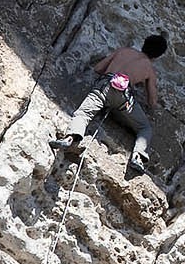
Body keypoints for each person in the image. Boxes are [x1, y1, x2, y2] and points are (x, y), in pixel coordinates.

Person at [50, 34, 168, 176]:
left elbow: (98, 68)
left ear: (144, 44)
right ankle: (137, 156)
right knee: (145, 128)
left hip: (103, 87)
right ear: (157, 56)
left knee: (83, 114)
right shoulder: (149, 69)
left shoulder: (124, 51)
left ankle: (70, 138)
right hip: (123, 98)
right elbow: (152, 102)